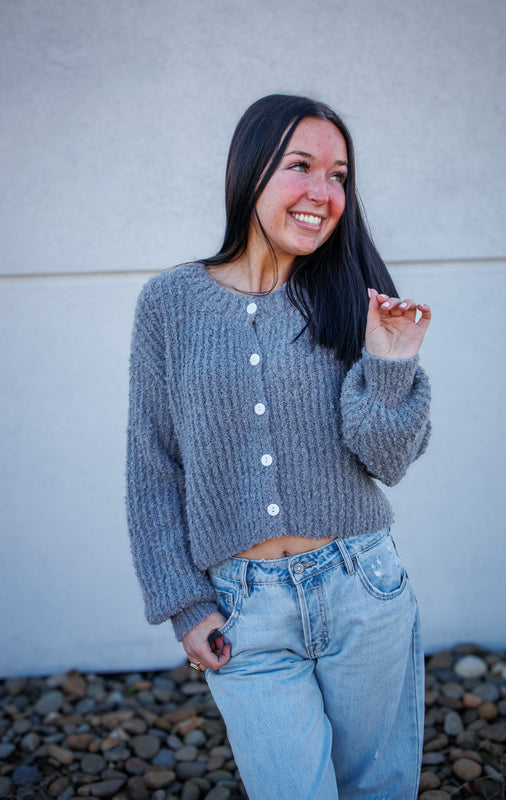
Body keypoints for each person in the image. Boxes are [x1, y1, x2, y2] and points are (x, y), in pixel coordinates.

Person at [127, 94, 431, 800]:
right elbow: (152, 466)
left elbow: (388, 462)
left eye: (339, 176)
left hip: (363, 587)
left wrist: (390, 365)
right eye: (301, 166)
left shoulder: (354, 297)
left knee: (377, 791)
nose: (324, 193)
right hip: (243, 607)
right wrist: (185, 604)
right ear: (250, 170)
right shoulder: (170, 304)